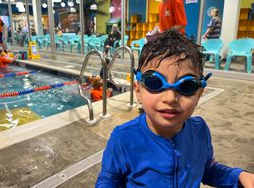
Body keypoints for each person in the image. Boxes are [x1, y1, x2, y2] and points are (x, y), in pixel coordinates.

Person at [96, 30, 254, 187]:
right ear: (138, 90)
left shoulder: (200, 131)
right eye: (154, 83)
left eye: (187, 86)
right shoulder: (124, 138)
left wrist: (238, 176)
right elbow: (108, 182)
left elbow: (207, 170)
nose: (170, 98)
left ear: (199, 94)